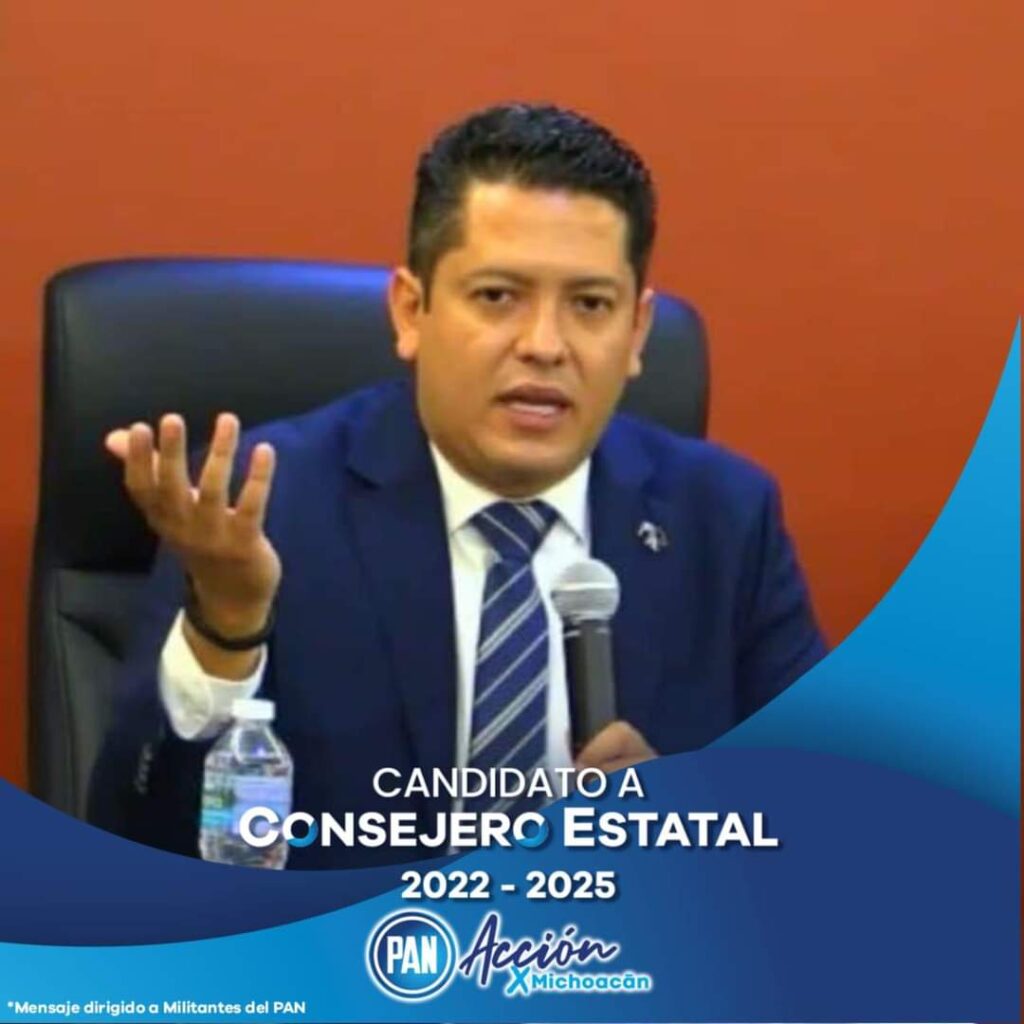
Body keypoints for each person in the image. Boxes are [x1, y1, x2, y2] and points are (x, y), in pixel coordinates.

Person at [87, 103, 826, 867]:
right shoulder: (261, 505)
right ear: (412, 312)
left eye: (590, 305)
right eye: (498, 296)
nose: (545, 345)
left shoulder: (724, 520)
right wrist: (227, 630)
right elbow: (136, 844)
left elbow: (824, 826)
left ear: (636, 332)